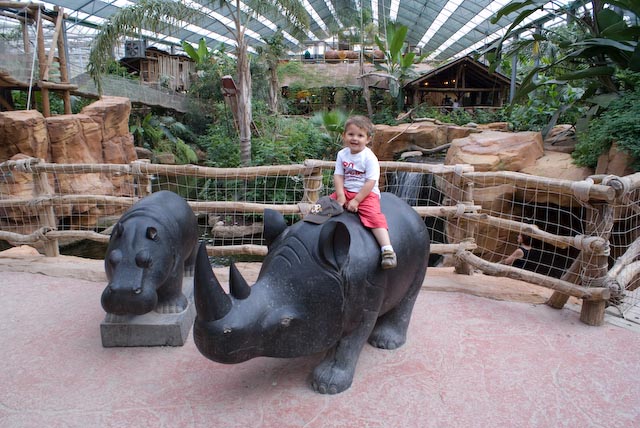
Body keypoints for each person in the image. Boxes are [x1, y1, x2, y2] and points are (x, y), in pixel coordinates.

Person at [331, 115, 397, 269]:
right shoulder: (342, 154)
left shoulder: (369, 158)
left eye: (360, 135)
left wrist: (356, 201)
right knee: (324, 205)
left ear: (368, 139)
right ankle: (308, 227)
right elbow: (339, 175)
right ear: (344, 136)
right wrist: (340, 196)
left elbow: (370, 182)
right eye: (351, 134)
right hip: (346, 190)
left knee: (374, 217)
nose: (355, 138)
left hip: (366, 194)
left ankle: (387, 250)